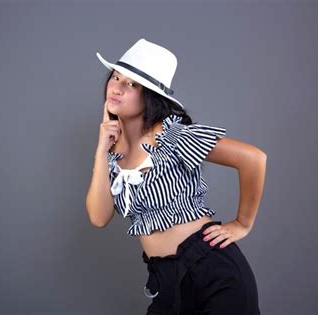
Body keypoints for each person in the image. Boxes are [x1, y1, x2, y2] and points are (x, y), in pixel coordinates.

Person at [85, 38, 267, 315]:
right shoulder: (111, 152)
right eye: (116, 77)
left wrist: (242, 223)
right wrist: (101, 150)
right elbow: (98, 218)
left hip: (212, 271)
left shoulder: (171, 135)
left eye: (132, 84)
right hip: (165, 280)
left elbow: (254, 159)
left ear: (150, 96)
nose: (117, 88)